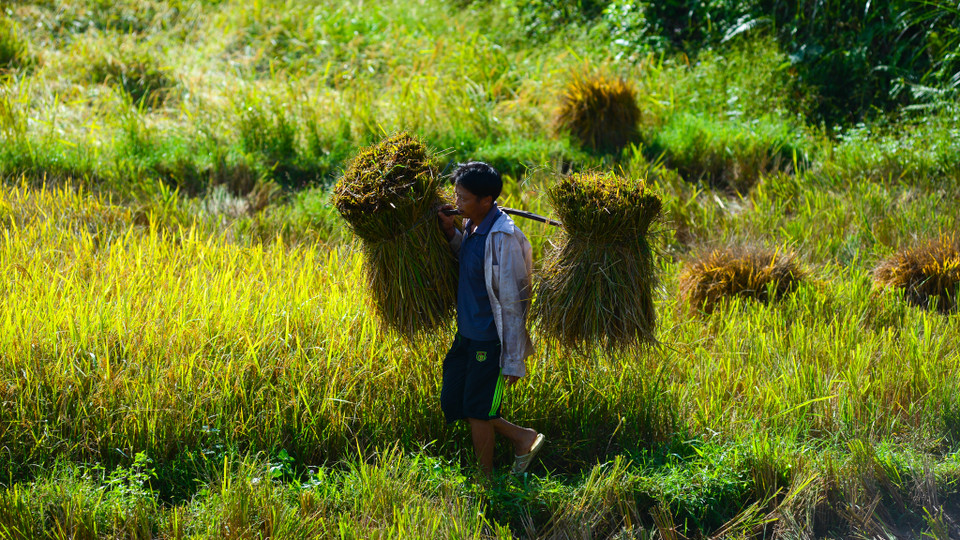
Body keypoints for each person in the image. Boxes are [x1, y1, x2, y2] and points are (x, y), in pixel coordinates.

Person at [436, 161, 545, 477]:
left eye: (463, 198)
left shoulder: (503, 238)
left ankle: (485, 481)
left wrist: (513, 360)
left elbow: (513, 303)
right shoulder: (472, 225)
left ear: (486, 200)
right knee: (454, 401)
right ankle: (523, 437)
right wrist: (450, 232)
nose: (457, 203)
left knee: (478, 411)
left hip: (489, 340)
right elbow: (469, 260)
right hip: (466, 335)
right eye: (456, 195)